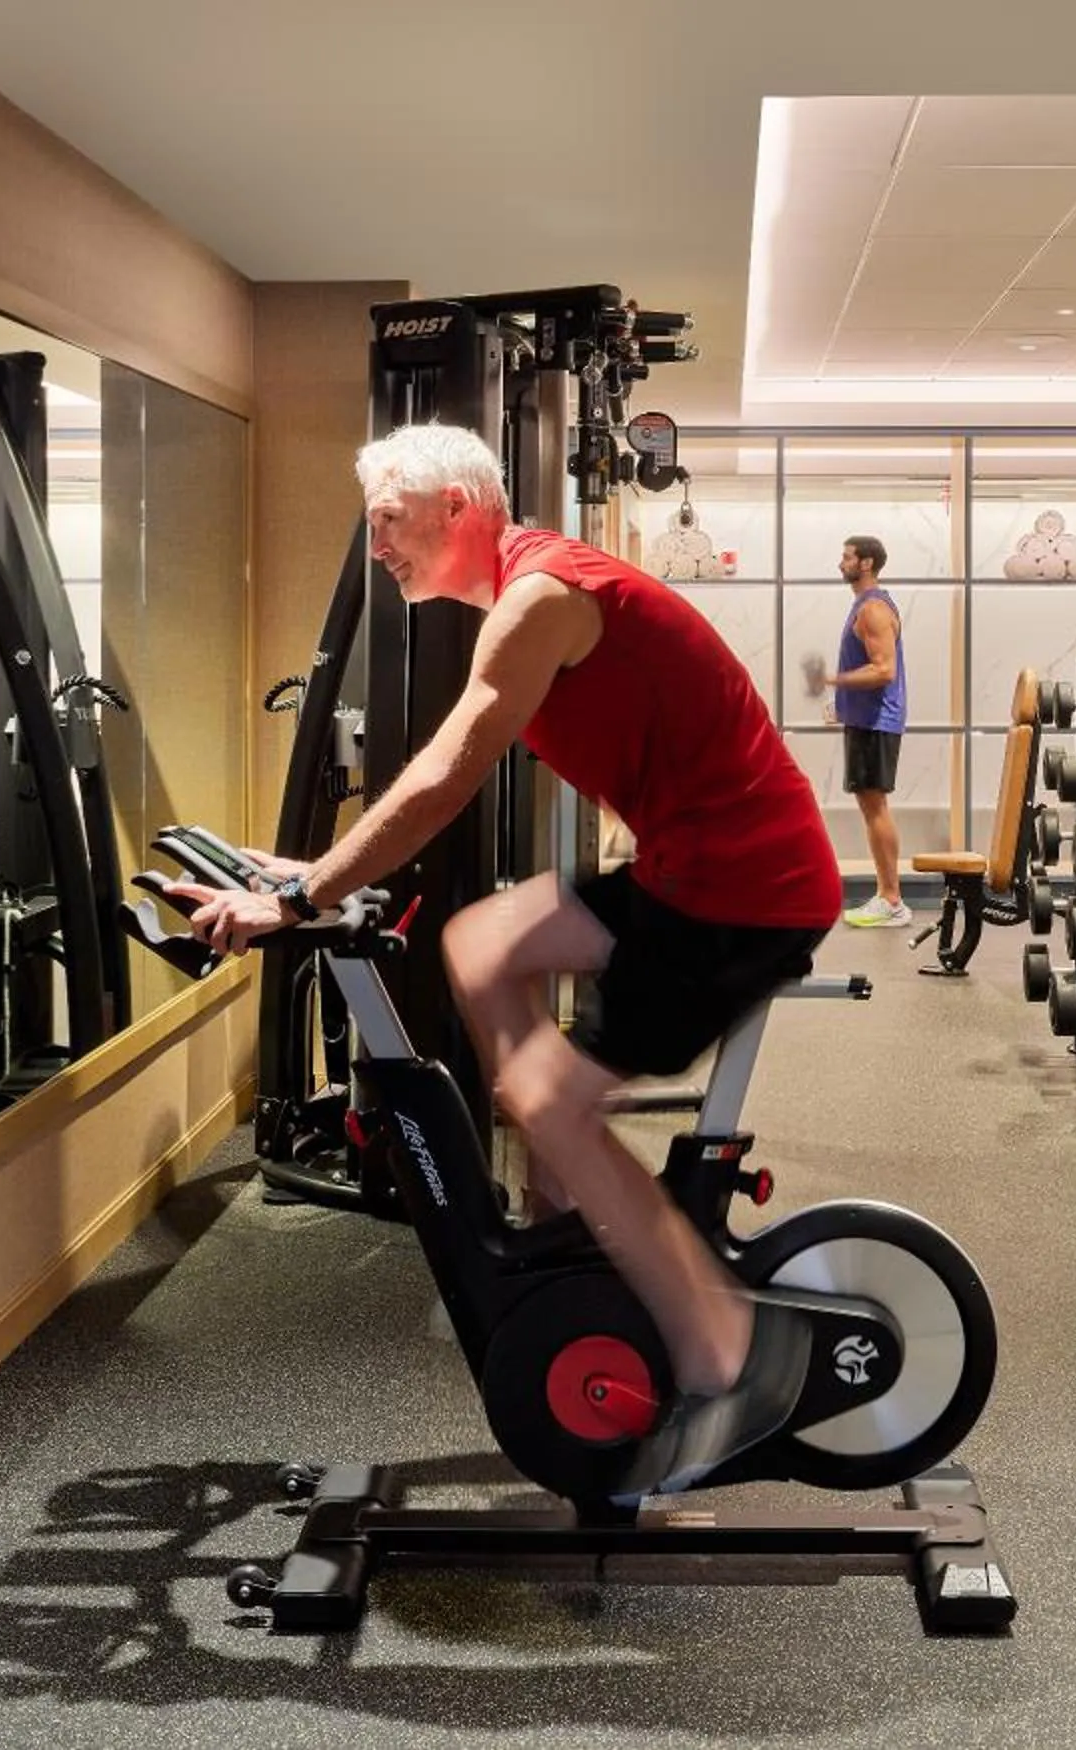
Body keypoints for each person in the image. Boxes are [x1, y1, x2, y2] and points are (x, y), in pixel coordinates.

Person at [171, 423, 843, 1500]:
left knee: (546, 1102)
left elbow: (446, 774)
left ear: (457, 507)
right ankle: (578, 1232)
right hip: (693, 868)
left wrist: (304, 892)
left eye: (389, 520)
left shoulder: (539, 600)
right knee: (478, 943)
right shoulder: (529, 593)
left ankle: (731, 1355)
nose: (376, 543)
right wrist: (318, 869)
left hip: (740, 893)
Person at [818, 536, 910, 928]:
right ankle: (887, 896)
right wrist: (843, 707)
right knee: (871, 807)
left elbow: (883, 670)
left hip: (876, 724)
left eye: (847, 557)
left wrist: (835, 680)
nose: (841, 563)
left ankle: (891, 899)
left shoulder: (873, 608)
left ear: (866, 563)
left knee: (875, 808)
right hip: (864, 720)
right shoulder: (864, 605)